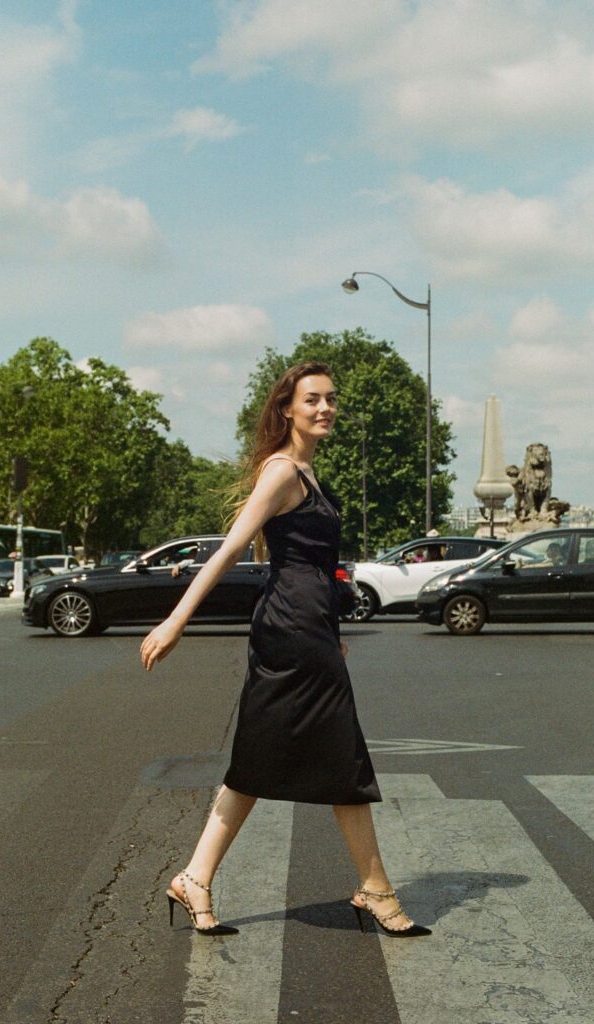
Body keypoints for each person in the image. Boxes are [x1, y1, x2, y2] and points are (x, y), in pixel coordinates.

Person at [140, 361, 431, 940]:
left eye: (331, 399)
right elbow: (231, 548)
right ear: (287, 409)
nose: (326, 408)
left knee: (265, 751)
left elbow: (316, 565)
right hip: (291, 626)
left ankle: (195, 878)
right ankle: (375, 888)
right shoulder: (281, 472)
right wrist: (176, 620)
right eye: (313, 399)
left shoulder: (307, 472)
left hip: (307, 624)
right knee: (340, 750)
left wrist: (332, 630)